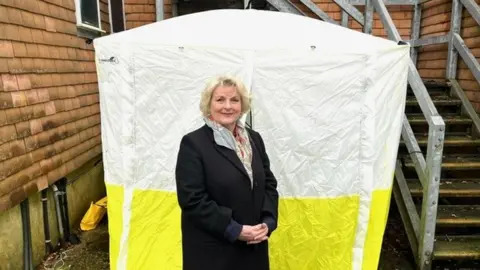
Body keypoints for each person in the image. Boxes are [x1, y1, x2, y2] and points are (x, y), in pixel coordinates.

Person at [175, 75, 279, 270]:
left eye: (234, 99)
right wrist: (235, 229)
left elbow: (269, 185)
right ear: (209, 105)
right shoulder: (194, 144)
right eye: (220, 99)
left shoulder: (254, 139)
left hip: (253, 247)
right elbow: (192, 199)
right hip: (215, 253)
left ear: (243, 105)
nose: (228, 106)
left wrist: (268, 222)